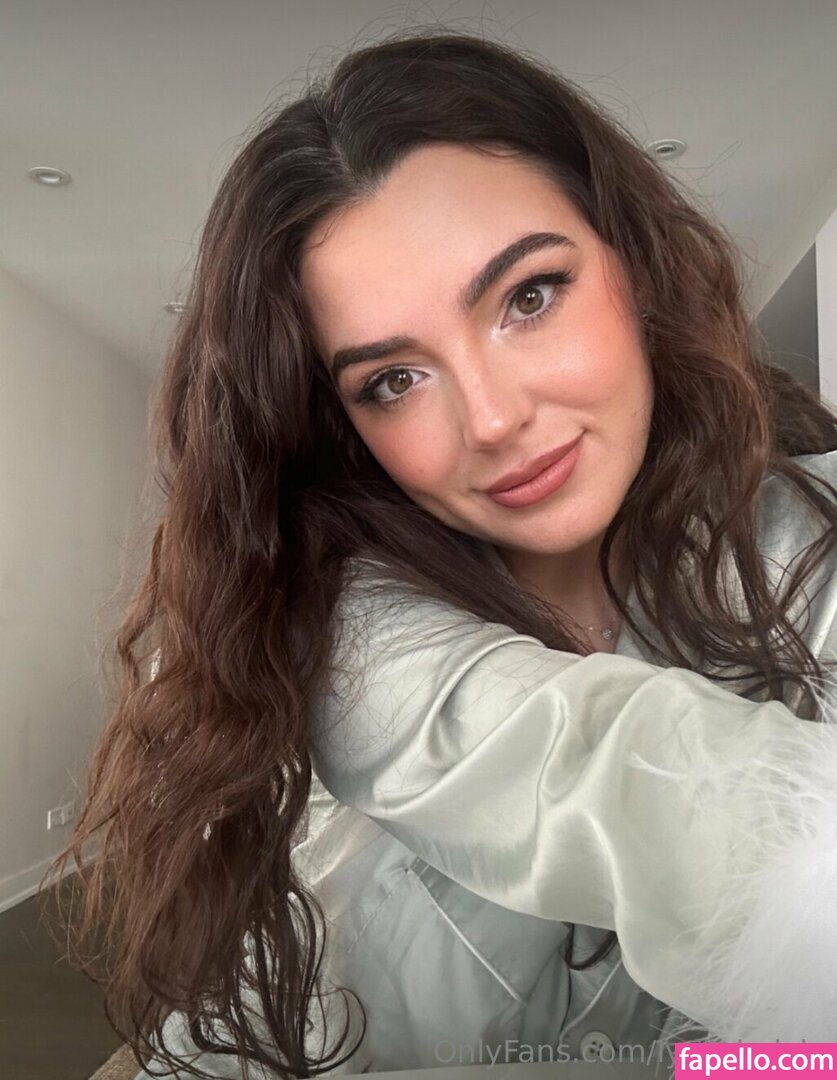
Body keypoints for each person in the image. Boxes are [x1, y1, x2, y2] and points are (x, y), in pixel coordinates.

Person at [43, 28, 837, 1080]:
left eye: (529, 297)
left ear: (636, 265)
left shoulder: (802, 539)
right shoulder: (330, 632)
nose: (493, 419)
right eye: (393, 380)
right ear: (343, 423)